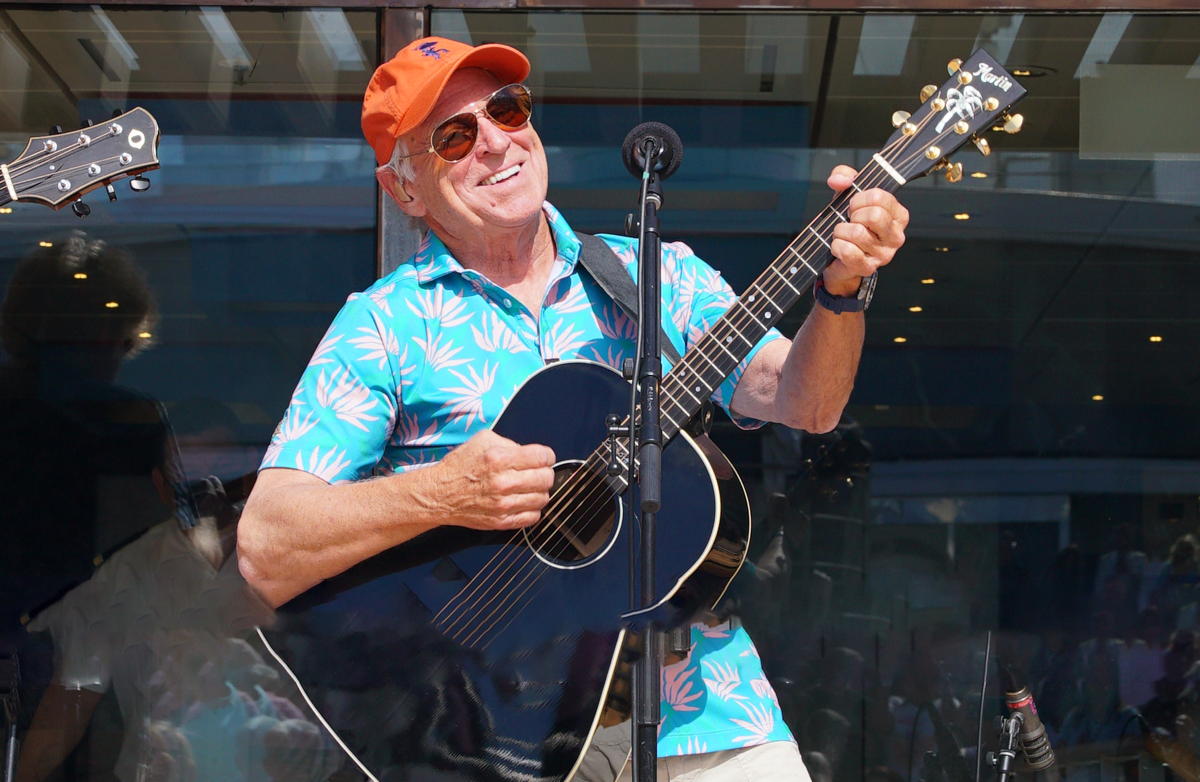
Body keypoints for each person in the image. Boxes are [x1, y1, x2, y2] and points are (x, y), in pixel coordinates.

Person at [237, 35, 909, 780]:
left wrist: (840, 292)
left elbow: (803, 402)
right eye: (455, 137)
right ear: (405, 191)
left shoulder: (655, 274)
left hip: (706, 709)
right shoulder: (384, 325)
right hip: (491, 739)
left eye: (507, 108)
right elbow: (268, 546)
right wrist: (441, 494)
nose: (496, 141)